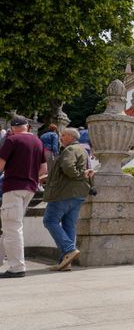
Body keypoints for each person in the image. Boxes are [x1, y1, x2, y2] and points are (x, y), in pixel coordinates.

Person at [0, 116, 47, 278]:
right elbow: (43, 169)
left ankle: (17, 267)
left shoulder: (12, 140)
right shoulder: (38, 142)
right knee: (11, 226)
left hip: (13, 187)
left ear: (12, 128)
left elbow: (0, 164)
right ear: (28, 126)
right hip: (30, 188)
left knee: (11, 227)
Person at [42, 127, 94, 271]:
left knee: (50, 220)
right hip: (78, 194)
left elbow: (68, 167)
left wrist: (78, 175)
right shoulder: (83, 150)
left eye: (63, 135)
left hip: (64, 193)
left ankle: (69, 249)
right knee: (69, 225)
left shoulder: (70, 150)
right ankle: (65, 262)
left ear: (71, 137)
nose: (60, 138)